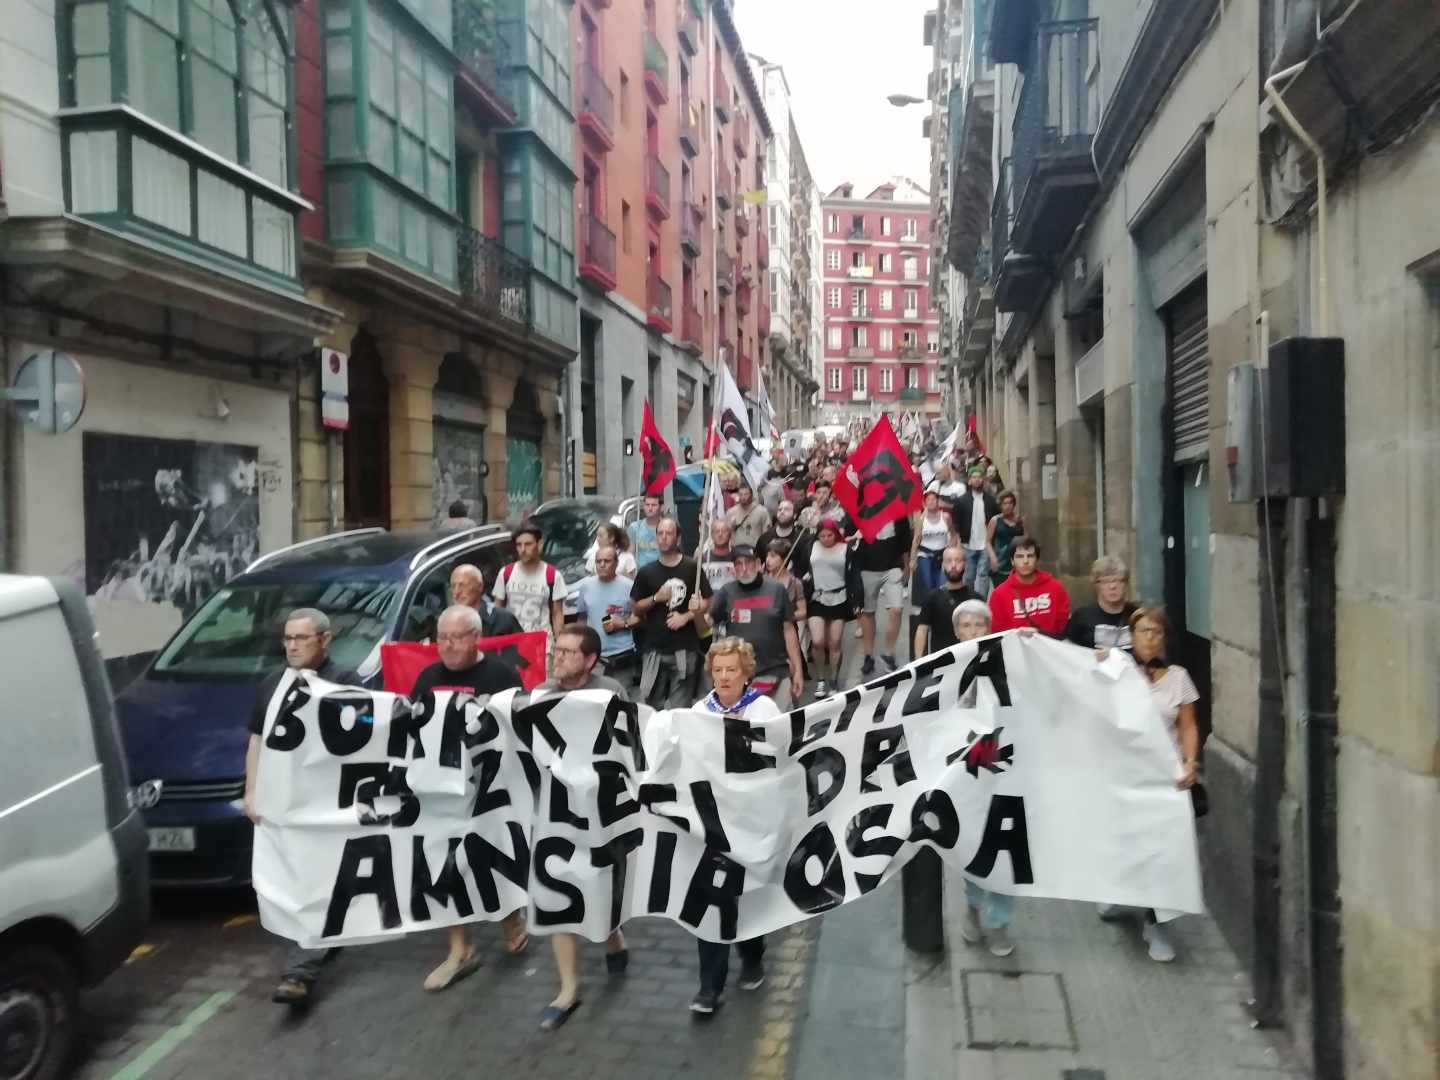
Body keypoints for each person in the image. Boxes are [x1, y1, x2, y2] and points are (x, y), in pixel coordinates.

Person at [410, 605, 525, 991]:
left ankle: (509, 916)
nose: (446, 645)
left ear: (476, 637)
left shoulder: (501, 675)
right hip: (442, 792)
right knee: (442, 866)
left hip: (490, 788)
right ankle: (460, 950)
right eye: (441, 637)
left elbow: (518, 727)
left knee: (490, 857)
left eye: (456, 637)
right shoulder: (427, 677)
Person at [244, 608, 354, 1007]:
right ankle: (326, 938)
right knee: (295, 883)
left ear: (325, 640)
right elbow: (257, 739)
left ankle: (299, 973)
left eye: (301, 639)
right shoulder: (272, 683)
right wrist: (252, 790)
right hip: (283, 803)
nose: (291, 646)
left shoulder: (344, 682)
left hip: (323, 807)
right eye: (287, 639)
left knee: (313, 882)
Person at [535, 625, 631, 1030]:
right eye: (557, 652)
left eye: (569, 653)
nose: (559, 659)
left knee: (601, 885)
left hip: (600, 810)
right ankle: (568, 987)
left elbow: (629, 745)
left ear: (590, 660)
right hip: (555, 812)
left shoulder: (610, 692)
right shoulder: (540, 695)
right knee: (556, 890)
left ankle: (612, 935)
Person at [1096, 606, 1201, 963]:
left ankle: (1156, 924)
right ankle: (1117, 891)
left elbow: (1187, 725)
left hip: (1164, 780)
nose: (1150, 638)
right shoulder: (1117, 670)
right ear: (1131, 635)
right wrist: (1031, 641)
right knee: (1126, 840)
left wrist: (1190, 762)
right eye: (1143, 631)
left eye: (1157, 632)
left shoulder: (1179, 678)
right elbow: (1074, 665)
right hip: (1124, 774)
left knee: (1163, 854)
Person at [690, 638, 779, 1015]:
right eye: (719, 669)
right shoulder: (699, 710)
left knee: (745, 897)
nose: (724, 677)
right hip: (712, 822)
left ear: (746, 674)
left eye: (732, 670)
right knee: (711, 901)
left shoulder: (764, 709)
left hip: (751, 820)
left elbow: (778, 758)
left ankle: (753, 954)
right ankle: (709, 987)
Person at [949, 599, 1019, 957]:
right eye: (966, 626)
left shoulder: (1006, 666)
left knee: (1007, 851)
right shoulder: (944, 672)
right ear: (957, 631)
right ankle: (974, 909)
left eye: (979, 625)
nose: (973, 632)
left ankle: (1000, 922)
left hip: (1006, 774)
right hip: (966, 779)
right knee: (974, 849)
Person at [708, 545, 805, 707]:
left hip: (776, 672)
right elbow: (706, 626)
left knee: (780, 725)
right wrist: (696, 613)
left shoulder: (777, 590)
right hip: (740, 677)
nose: (744, 568)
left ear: (759, 564)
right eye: (738, 563)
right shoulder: (726, 593)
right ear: (733, 568)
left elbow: (788, 630)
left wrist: (798, 671)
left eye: (749, 562)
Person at [631, 518, 713, 708]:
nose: (664, 538)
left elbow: (708, 601)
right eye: (660, 533)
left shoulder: (692, 567)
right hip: (654, 649)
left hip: (685, 647)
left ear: (678, 538)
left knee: (680, 710)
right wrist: (655, 598)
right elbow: (635, 607)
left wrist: (686, 617)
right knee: (651, 707)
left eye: (669, 533)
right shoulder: (646, 572)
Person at [804, 519, 857, 697]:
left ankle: (833, 678)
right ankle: (820, 679)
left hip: (839, 598)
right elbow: (800, 561)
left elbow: (853, 575)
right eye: (822, 536)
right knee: (818, 641)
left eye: (829, 535)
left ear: (835, 534)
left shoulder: (845, 549)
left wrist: (858, 601)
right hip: (816, 597)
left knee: (835, 642)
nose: (826, 539)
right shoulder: (811, 545)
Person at [571, 547, 639, 683]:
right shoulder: (586, 587)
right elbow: (581, 619)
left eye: (607, 561)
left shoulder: (630, 586)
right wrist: (578, 644)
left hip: (623, 653)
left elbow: (640, 618)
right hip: (595, 654)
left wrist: (622, 624)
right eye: (598, 561)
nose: (602, 565)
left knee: (621, 699)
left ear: (616, 563)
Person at [493, 523, 568, 644]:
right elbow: (498, 610)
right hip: (512, 643)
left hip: (542, 645)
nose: (523, 549)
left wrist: (560, 644)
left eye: (528, 544)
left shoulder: (553, 576)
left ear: (539, 545)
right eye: (519, 545)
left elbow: (557, 614)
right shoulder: (506, 573)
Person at [857, 514, 911, 678]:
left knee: (896, 609)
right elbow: (849, 538)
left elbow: (905, 542)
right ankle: (868, 655)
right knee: (868, 612)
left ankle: (888, 654)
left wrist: (907, 566)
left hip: (893, 567)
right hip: (867, 567)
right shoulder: (861, 511)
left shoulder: (898, 515)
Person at [988, 537, 1071, 636]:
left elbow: (1063, 624)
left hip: (1049, 647)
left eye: (1030, 556)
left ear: (1037, 559)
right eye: (1020, 556)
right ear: (1012, 561)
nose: (1025, 561)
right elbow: (998, 632)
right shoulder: (999, 594)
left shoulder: (1056, 588)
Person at [912, 546, 981, 657]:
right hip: (940, 663)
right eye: (949, 561)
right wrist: (918, 661)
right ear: (943, 564)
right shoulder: (932, 598)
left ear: (965, 563)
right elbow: (922, 630)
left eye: (958, 560)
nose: (953, 565)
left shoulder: (976, 599)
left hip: (969, 660)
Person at [1065, 555, 1137, 650]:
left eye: (1118, 580)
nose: (1112, 586)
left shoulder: (1137, 616)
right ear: (1096, 585)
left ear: (1126, 583)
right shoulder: (1082, 617)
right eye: (1106, 581)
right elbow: (1068, 651)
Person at [953, 466, 1000, 598]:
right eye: (974, 477)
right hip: (967, 545)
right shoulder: (961, 501)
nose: (977, 480)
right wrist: (958, 544)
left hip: (985, 545)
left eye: (980, 477)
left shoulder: (991, 501)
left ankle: (980, 602)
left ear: (983, 480)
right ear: (969, 480)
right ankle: (969, 601)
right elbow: (956, 524)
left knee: (983, 575)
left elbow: (996, 520)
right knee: (968, 576)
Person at [910, 485, 958, 606]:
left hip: (942, 554)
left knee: (942, 584)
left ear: (938, 501)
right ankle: (929, 610)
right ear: (925, 503)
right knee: (928, 584)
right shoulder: (921, 519)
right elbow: (916, 539)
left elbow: (953, 535)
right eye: (928, 500)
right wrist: (912, 559)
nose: (931, 502)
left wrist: (951, 551)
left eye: (934, 499)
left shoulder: (945, 517)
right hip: (925, 554)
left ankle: (940, 608)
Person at [449, 563, 522, 639]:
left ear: (480, 586)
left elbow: (524, 648)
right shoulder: (447, 624)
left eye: (462, 585)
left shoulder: (503, 619)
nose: (456, 592)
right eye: (453, 586)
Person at [758, 499, 809, 578]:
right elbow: (759, 561)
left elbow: (804, 566)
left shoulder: (802, 538)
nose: (782, 512)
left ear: (795, 515)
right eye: (780, 509)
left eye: (787, 509)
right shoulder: (765, 537)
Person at [985, 490, 1027, 586]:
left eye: (1010, 503)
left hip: (1017, 558)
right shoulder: (995, 520)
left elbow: (1026, 539)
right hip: (1001, 559)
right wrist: (992, 557)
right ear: (1000, 506)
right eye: (1005, 503)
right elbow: (988, 541)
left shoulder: (1020, 520)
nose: (1008, 506)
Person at [765, 539, 807, 627]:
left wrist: (785, 617)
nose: (767, 560)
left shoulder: (795, 583)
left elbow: (803, 611)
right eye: (767, 556)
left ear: (784, 559)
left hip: (787, 629)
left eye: (772, 556)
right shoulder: (762, 579)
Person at [725, 482, 772, 549]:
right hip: (736, 548)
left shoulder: (762, 511)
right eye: (741, 494)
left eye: (746, 494)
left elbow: (766, 533)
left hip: (755, 548)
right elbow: (726, 533)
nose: (743, 497)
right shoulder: (731, 512)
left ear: (751, 495)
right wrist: (732, 526)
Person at [700, 517, 738, 594]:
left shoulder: (737, 556)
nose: (720, 534)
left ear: (730, 534)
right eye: (717, 531)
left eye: (724, 531)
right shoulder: (703, 558)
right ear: (712, 535)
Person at [628, 494, 664, 568]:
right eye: (647, 505)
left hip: (662, 571)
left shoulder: (667, 528)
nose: (650, 508)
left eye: (654, 505)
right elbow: (630, 555)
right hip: (641, 573)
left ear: (661, 507)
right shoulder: (634, 527)